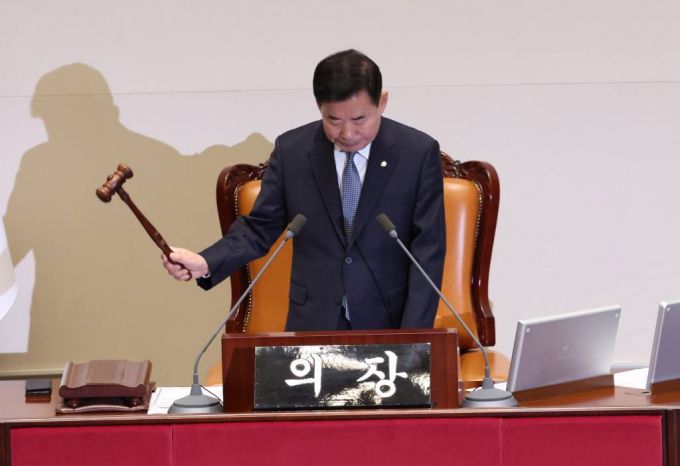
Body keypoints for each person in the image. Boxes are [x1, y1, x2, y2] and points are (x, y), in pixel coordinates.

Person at [163, 49, 446, 331]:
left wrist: (415, 339)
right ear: (319, 107)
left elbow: (428, 251)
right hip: (314, 322)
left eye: (359, 120)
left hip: (391, 324)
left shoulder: (417, 153)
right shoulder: (293, 151)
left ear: (382, 102)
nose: (347, 133)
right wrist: (206, 261)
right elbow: (259, 227)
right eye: (334, 121)